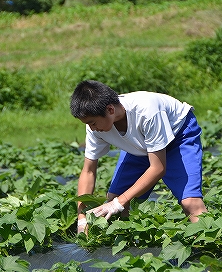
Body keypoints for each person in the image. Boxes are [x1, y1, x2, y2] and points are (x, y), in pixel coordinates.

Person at [70, 80, 207, 233]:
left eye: (93, 123)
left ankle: (212, 245)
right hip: (142, 144)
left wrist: (118, 203)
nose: (91, 128)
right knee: (116, 198)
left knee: (191, 203)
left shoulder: (146, 111)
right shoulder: (95, 128)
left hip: (178, 136)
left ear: (110, 110)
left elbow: (158, 168)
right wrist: (81, 217)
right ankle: (129, 244)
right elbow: (88, 171)